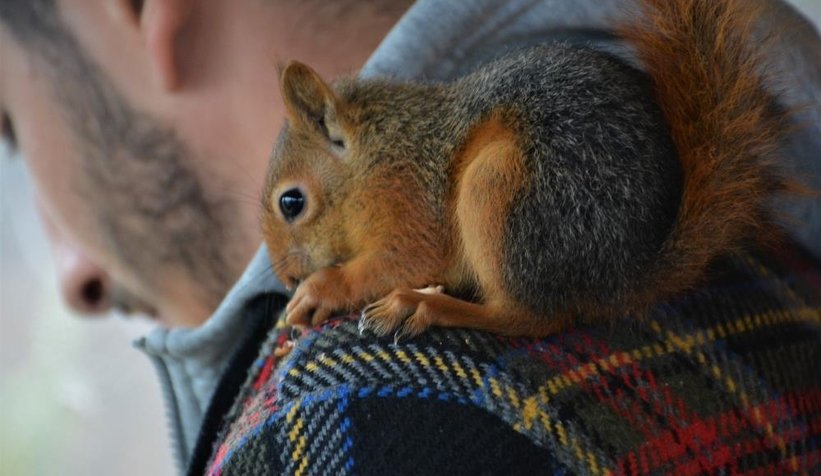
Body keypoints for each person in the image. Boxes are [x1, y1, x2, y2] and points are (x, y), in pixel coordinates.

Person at [1, 0, 819, 474]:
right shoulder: (777, 279)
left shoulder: (355, 407)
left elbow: (416, 242)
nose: (72, 276)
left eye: (11, 124)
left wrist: (350, 287)